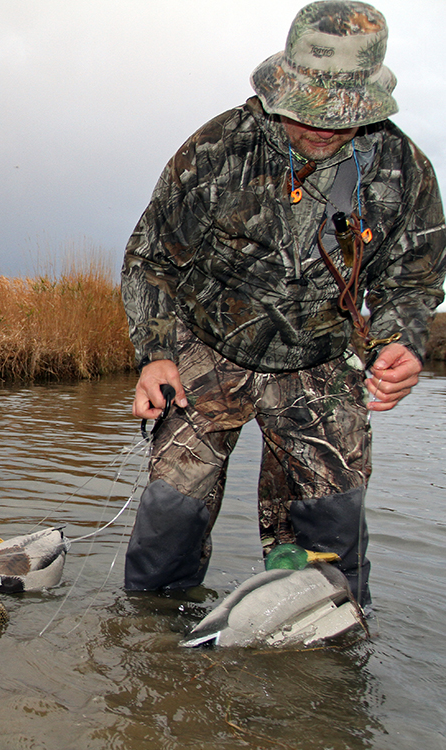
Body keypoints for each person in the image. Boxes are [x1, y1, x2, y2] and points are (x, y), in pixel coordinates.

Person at [120, 1, 446, 607]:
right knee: (168, 525)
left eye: (341, 115)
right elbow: (149, 260)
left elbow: (413, 279)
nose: (322, 127)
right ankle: (156, 663)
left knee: (332, 547)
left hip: (321, 364)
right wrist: (156, 354)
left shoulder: (404, 171)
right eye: (308, 110)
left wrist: (403, 339)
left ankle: (322, 683)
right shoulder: (218, 149)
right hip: (206, 353)